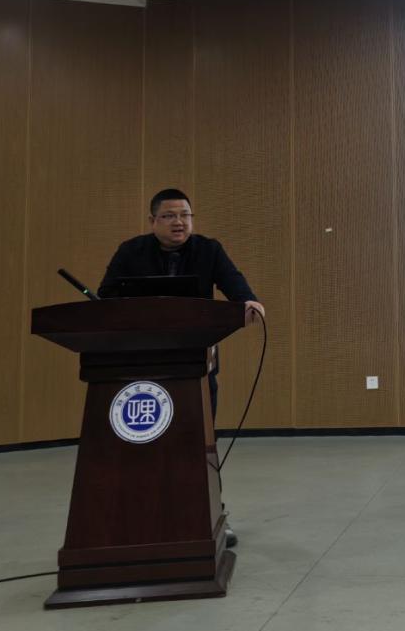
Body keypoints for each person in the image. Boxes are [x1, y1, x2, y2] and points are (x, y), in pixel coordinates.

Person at [100, 187, 264, 548]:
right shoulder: (130, 252)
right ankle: (146, 517)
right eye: (170, 216)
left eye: (185, 215)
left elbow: (236, 285)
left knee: (201, 442)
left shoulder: (209, 249)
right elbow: (106, 299)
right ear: (153, 221)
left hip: (196, 364)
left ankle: (211, 516)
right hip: (144, 367)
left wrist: (249, 302)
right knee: (149, 445)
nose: (179, 222)